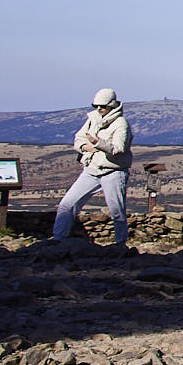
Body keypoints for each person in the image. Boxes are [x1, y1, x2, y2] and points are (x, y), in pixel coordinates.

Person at [51, 88, 133, 248]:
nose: (98, 109)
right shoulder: (92, 119)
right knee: (67, 204)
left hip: (113, 171)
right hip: (91, 169)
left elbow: (118, 149)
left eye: (102, 106)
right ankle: (58, 238)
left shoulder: (121, 124)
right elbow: (79, 138)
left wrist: (97, 143)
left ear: (111, 105)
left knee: (116, 210)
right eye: (96, 105)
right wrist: (84, 146)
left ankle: (120, 244)